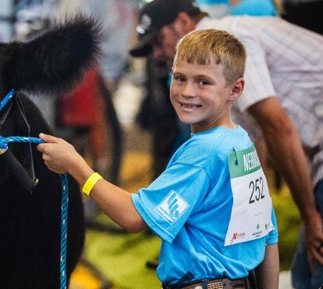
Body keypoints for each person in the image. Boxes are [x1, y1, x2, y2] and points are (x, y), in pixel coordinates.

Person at [38, 28, 279, 289]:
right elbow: (267, 234)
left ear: (235, 89)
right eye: (180, 78)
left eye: (203, 82)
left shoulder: (203, 153)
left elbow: (133, 217)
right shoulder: (242, 144)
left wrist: (77, 167)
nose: (187, 91)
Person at [128, 0, 323, 288]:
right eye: (180, 78)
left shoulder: (227, 46)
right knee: (305, 275)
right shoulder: (231, 133)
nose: (157, 54)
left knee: (313, 270)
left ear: (183, 22)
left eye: (158, 40)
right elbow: (257, 162)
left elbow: (278, 127)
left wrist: (310, 215)